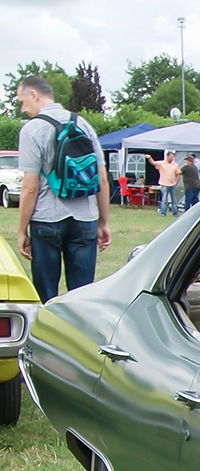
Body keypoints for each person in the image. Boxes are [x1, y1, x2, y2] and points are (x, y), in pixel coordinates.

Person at [14, 74, 110, 302]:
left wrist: (21, 231)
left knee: (46, 296)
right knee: (83, 296)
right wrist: (103, 222)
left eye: (21, 102)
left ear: (34, 95)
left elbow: (29, 187)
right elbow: (102, 179)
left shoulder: (32, 130)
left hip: (46, 221)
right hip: (84, 219)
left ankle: (48, 335)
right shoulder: (83, 124)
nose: (22, 108)